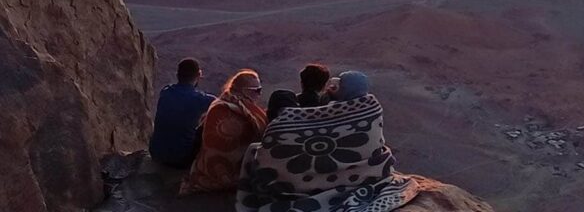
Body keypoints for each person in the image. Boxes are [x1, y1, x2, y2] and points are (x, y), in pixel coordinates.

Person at [237, 73, 419, 212]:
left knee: (255, 153)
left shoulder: (301, 119)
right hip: (365, 177)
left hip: (299, 184)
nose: (334, 85)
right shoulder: (371, 109)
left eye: (339, 83)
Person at [180, 69, 267, 195]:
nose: (259, 94)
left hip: (208, 170)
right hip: (239, 175)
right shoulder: (249, 114)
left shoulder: (217, 104)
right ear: (245, 91)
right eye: (257, 90)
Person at [149, 58, 216, 169]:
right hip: (181, 159)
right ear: (199, 75)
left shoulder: (166, 91)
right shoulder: (200, 99)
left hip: (156, 153)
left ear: (177, 75)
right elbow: (221, 104)